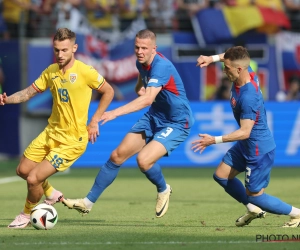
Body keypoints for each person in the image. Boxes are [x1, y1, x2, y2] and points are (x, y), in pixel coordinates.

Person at [62, 29, 195, 218]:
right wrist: (142, 89)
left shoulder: (162, 66)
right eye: (137, 47)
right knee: (117, 156)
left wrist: (115, 112)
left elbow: (148, 100)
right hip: (155, 116)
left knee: (143, 160)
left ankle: (163, 189)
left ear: (154, 49)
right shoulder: (141, 63)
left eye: (144, 48)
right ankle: (88, 202)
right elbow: (141, 88)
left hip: (177, 121)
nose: (140, 51)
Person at [0, 28, 115, 229]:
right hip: (51, 133)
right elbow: (28, 93)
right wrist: (6, 99)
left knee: (34, 178)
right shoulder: (51, 71)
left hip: (72, 141)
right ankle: (51, 193)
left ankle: (26, 215)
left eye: (64, 50)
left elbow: (109, 91)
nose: (60, 55)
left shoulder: (85, 71)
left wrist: (95, 120)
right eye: (56, 50)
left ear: (74, 48)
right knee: (23, 170)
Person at [192, 46, 300, 228]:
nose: (224, 70)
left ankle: (296, 213)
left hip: (258, 150)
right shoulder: (245, 71)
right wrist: (211, 59)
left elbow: (245, 132)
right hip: (246, 145)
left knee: (256, 196)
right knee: (221, 175)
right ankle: (252, 209)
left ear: (239, 69)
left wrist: (214, 140)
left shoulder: (249, 96)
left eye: (226, 68)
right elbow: (234, 56)